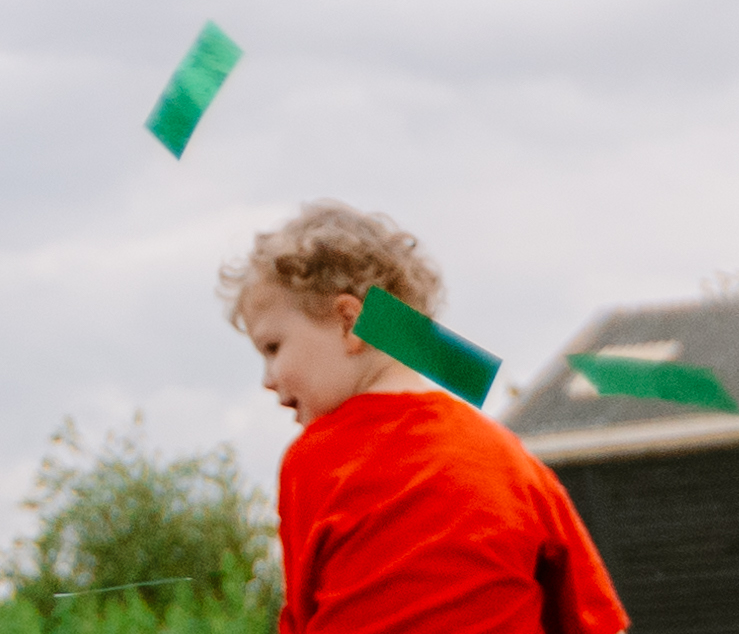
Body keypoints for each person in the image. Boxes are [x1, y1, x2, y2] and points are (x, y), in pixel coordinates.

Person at [227, 202, 629, 633]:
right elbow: (597, 621)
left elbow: (303, 618)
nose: (268, 379)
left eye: (272, 348)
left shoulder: (314, 462)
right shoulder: (509, 459)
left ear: (349, 322)